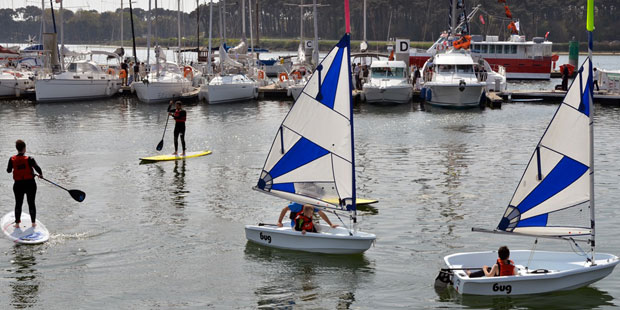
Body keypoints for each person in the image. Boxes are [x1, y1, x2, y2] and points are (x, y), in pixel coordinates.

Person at [6, 140, 42, 228]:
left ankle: (17, 224)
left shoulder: (12, 159)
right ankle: (33, 223)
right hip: (30, 184)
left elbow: (8, 170)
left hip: (18, 185)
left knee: (18, 203)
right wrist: (40, 175)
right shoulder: (30, 159)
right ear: (24, 149)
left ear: (17, 149)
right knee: (31, 203)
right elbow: (38, 168)